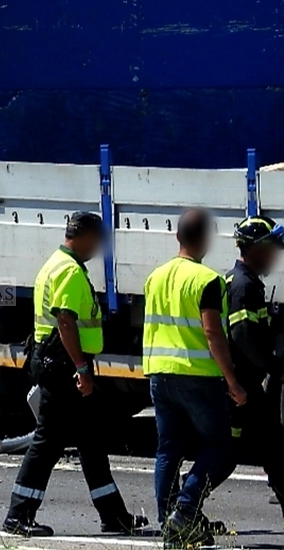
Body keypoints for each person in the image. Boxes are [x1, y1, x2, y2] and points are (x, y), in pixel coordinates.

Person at [2, 212, 148, 537]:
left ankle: (114, 516)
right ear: (84, 237)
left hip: (57, 361)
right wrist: (82, 369)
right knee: (48, 442)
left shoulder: (55, 263)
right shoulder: (68, 271)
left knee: (91, 442)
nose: (98, 247)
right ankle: (18, 514)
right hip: (64, 366)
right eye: (97, 240)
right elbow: (66, 322)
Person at [143, 207, 247, 548]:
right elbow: (212, 333)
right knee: (219, 446)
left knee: (168, 449)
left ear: (177, 236)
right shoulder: (207, 280)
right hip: (196, 374)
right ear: (205, 238)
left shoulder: (155, 276)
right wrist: (232, 380)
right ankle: (185, 511)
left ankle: (168, 521)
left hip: (159, 372)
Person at [218, 216, 284, 515]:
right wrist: (273, 366)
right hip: (242, 386)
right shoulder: (244, 285)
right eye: (271, 248)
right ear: (255, 249)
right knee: (234, 453)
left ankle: (185, 501)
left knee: (263, 450)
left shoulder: (244, 281)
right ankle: (184, 503)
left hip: (243, 384)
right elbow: (242, 335)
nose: (274, 255)